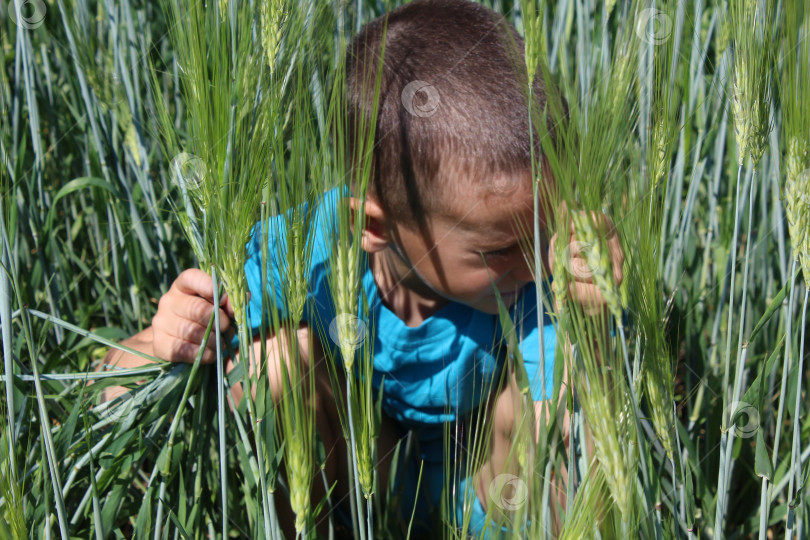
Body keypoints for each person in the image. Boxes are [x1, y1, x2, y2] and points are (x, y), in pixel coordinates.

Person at [100, 0, 624, 537]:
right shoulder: (312, 249)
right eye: (501, 250)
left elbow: (578, 422)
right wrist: (165, 341)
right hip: (355, 485)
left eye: (548, 228)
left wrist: (593, 322)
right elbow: (110, 386)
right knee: (272, 366)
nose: (540, 259)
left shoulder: (542, 275)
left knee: (555, 411)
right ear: (373, 227)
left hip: (483, 496)